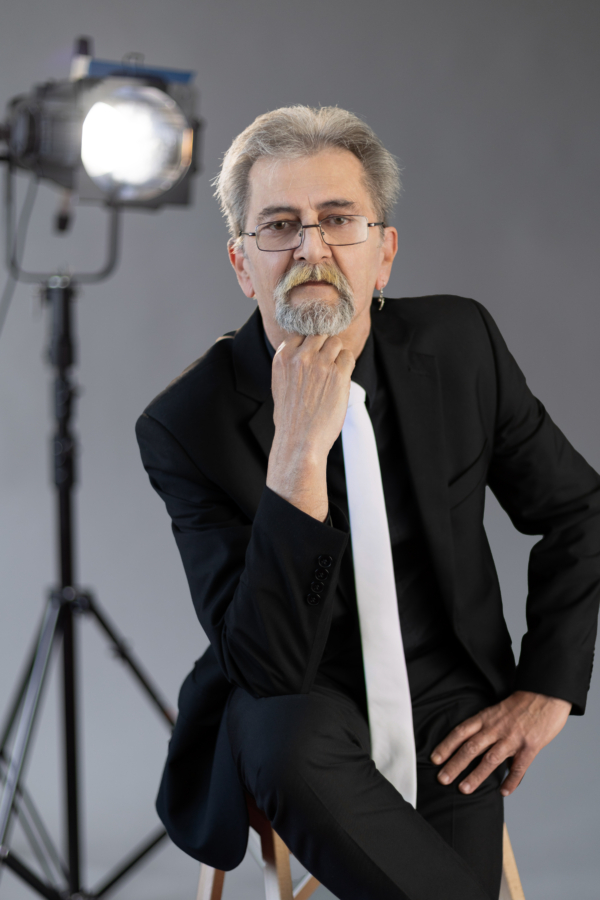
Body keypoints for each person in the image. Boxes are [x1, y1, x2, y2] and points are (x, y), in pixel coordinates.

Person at [136, 106, 600, 900]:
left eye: (338, 219)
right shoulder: (186, 424)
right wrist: (296, 453)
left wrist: (548, 687)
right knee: (283, 740)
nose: (311, 248)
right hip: (299, 703)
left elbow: (578, 510)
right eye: (279, 225)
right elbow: (268, 667)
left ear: (383, 254)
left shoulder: (459, 345)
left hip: (448, 700)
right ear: (243, 264)